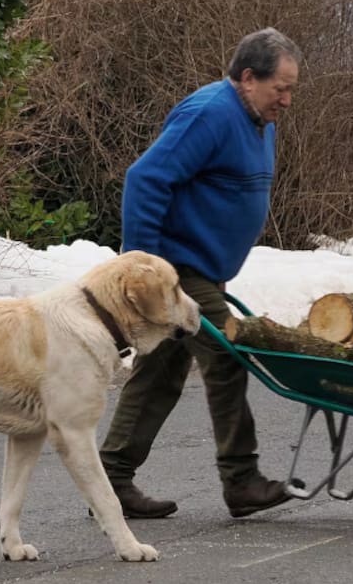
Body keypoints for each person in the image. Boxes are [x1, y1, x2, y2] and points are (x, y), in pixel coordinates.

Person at [98, 27, 302, 520]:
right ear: (248, 78)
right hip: (175, 269)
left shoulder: (258, 117)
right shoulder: (210, 113)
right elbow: (145, 179)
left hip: (204, 270)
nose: (288, 100)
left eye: (292, 89)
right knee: (229, 355)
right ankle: (242, 480)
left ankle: (108, 480)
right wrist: (143, 270)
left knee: (162, 371)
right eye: (281, 88)